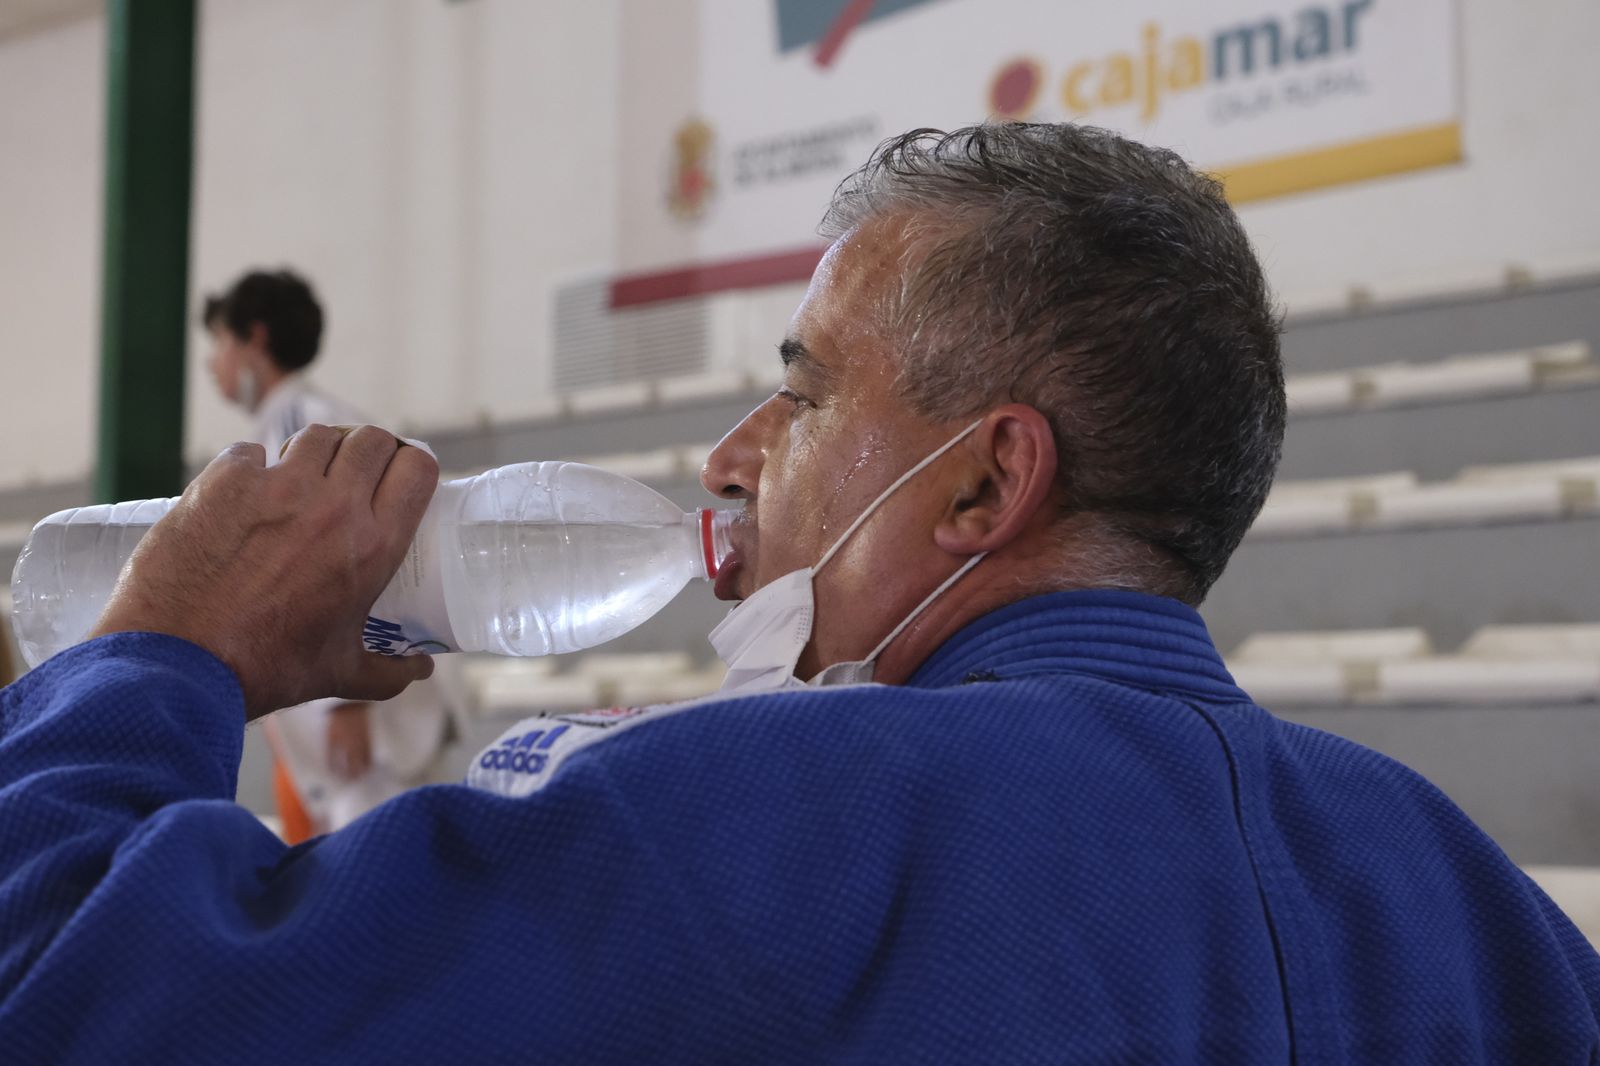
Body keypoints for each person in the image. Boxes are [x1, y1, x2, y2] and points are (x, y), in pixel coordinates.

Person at [2, 125, 1596, 1063]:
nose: (731, 455)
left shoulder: (756, 817)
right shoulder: (1474, 900)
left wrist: (162, 647)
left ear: (986, 482)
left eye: (807, 393)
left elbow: (59, 997)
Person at [201, 269, 450, 840]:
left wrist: (346, 703)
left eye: (220, 343)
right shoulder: (287, 426)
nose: (213, 365)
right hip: (340, 727)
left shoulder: (303, 426)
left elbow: (363, 548)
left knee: (374, 870)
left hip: (368, 733)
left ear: (255, 338)